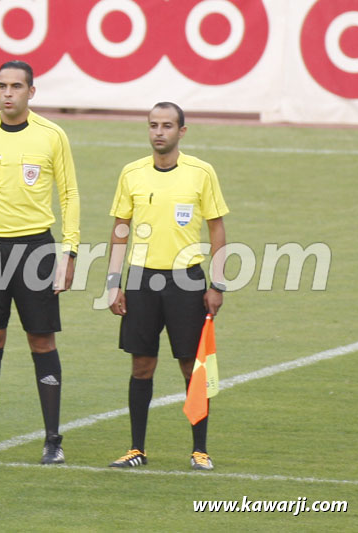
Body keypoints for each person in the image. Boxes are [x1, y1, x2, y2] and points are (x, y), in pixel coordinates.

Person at [0, 60, 80, 465]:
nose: (8, 93)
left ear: (31, 92)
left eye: (16, 86)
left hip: (36, 249)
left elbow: (69, 195)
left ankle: (53, 440)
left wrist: (70, 251)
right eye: (2, 86)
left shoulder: (52, 135)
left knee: (42, 340)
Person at [106, 102, 229, 471]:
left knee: (191, 367)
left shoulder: (201, 173)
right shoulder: (132, 173)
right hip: (141, 279)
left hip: (185, 280)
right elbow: (120, 229)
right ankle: (136, 449)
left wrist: (217, 283)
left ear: (182, 131)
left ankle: (200, 450)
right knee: (141, 364)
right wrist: (114, 282)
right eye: (153, 125)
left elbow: (217, 229)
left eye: (167, 126)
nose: (159, 132)